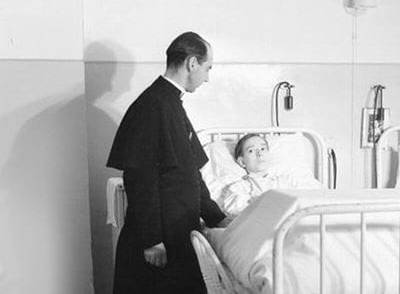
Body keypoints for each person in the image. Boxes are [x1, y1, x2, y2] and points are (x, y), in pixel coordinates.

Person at [106, 32, 230, 294]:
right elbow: (140, 177)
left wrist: (216, 217)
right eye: (207, 68)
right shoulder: (153, 105)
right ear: (192, 63)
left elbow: (189, 171)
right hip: (158, 236)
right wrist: (152, 239)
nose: (207, 77)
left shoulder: (170, 103)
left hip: (178, 230)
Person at [220, 134, 322, 216]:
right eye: (251, 151)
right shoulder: (238, 188)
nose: (259, 154)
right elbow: (237, 213)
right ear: (242, 162)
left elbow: (304, 204)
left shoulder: (286, 181)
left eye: (263, 149)